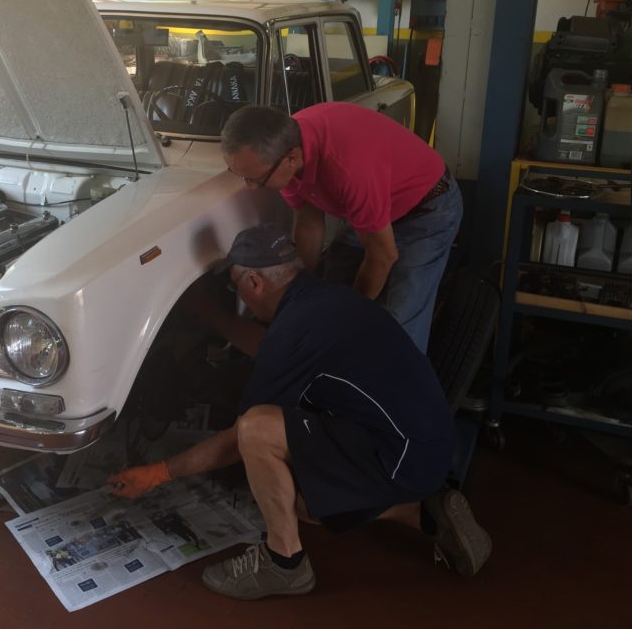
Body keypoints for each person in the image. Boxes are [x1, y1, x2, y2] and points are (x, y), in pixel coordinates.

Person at [107, 224, 491, 600]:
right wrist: (208, 313)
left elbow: (238, 439)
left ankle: (284, 564)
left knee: (257, 429)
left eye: (234, 286)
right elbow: (270, 345)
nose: (236, 293)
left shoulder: (294, 333)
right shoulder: (323, 299)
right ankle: (427, 512)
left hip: (401, 455)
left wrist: (158, 473)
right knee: (304, 505)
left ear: (254, 284)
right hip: (431, 445)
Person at [220, 102, 462, 353]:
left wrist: (348, 317)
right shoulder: (285, 149)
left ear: (291, 159)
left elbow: (383, 255)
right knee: (330, 289)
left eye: (255, 179)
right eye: (240, 175)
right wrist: (301, 293)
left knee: (397, 325)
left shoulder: (346, 169)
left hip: (425, 210)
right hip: (370, 207)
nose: (250, 187)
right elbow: (309, 223)